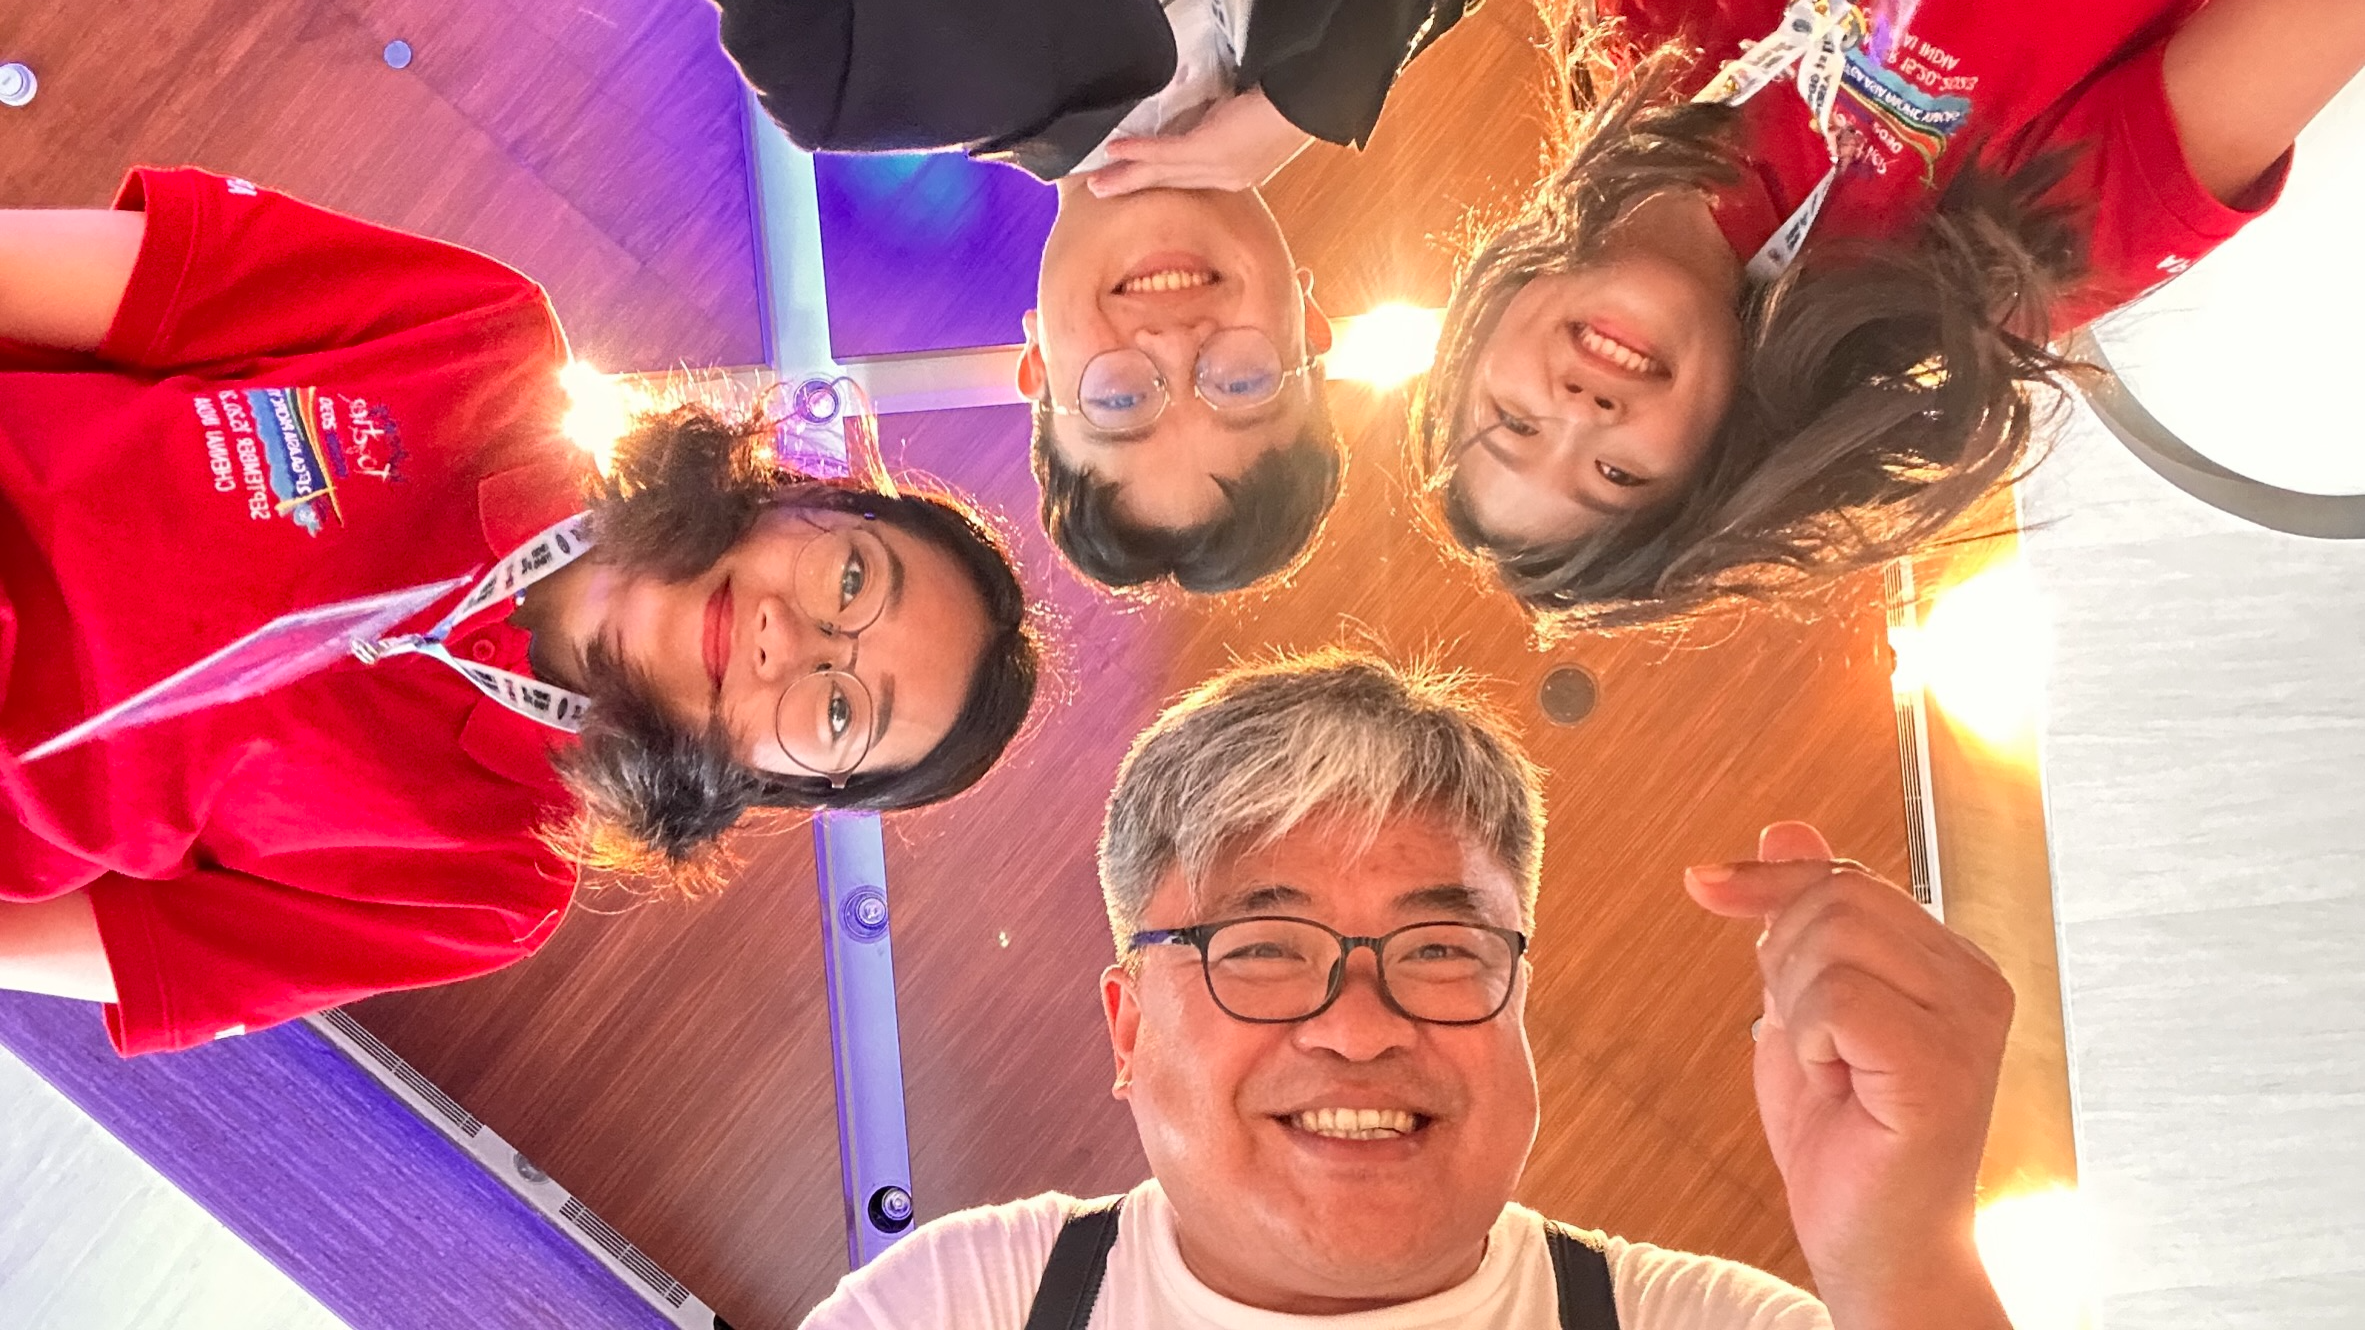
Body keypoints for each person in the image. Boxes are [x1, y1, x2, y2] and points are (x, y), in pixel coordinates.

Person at [0, 168, 1040, 1055]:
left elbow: (131, 949)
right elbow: (76, 281)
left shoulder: (490, 890)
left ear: (782, 781)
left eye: (840, 708)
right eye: (851, 581)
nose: (795, 642)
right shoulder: (481, 337)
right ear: (807, 498)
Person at [800, 649, 2019, 1329]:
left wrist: (1904, 1257)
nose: (1358, 1025)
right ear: (1128, 1029)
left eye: (1439, 950)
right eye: (1262, 947)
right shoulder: (963, 1306)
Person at [1410, 0, 2365, 630]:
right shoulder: (1989, 269)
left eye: (1515, 424)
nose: (1579, 412)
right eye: (1616, 474)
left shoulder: (1622, 39)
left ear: (1479, 334)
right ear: (1714, 460)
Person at [714, 0, 1472, 592]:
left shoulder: (845, 74)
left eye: (1121, 400)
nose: (1176, 341)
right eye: (1242, 383)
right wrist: (1318, 90)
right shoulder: (1372, 29)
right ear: (1309, 328)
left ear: (1038, 363)